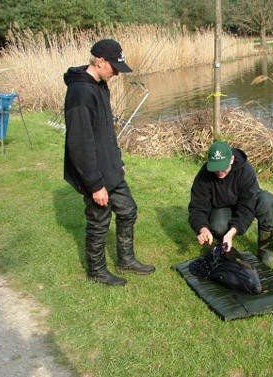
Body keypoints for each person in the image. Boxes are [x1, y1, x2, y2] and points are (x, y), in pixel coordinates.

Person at [63, 39, 155, 286]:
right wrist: (94, 185)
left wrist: (117, 161)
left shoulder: (100, 85)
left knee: (128, 210)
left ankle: (126, 259)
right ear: (100, 61)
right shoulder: (80, 93)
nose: (116, 72)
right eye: (113, 67)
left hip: (110, 168)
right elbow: (79, 144)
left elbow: (105, 131)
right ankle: (96, 271)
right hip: (94, 175)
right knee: (99, 221)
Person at [188, 141, 273, 266]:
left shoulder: (245, 170)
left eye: (222, 167)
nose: (219, 172)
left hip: (246, 203)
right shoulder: (204, 174)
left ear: (231, 159)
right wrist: (202, 229)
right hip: (222, 207)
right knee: (218, 227)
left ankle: (266, 253)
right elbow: (197, 206)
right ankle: (222, 244)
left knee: (267, 201)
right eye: (215, 168)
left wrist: (232, 232)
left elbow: (247, 207)